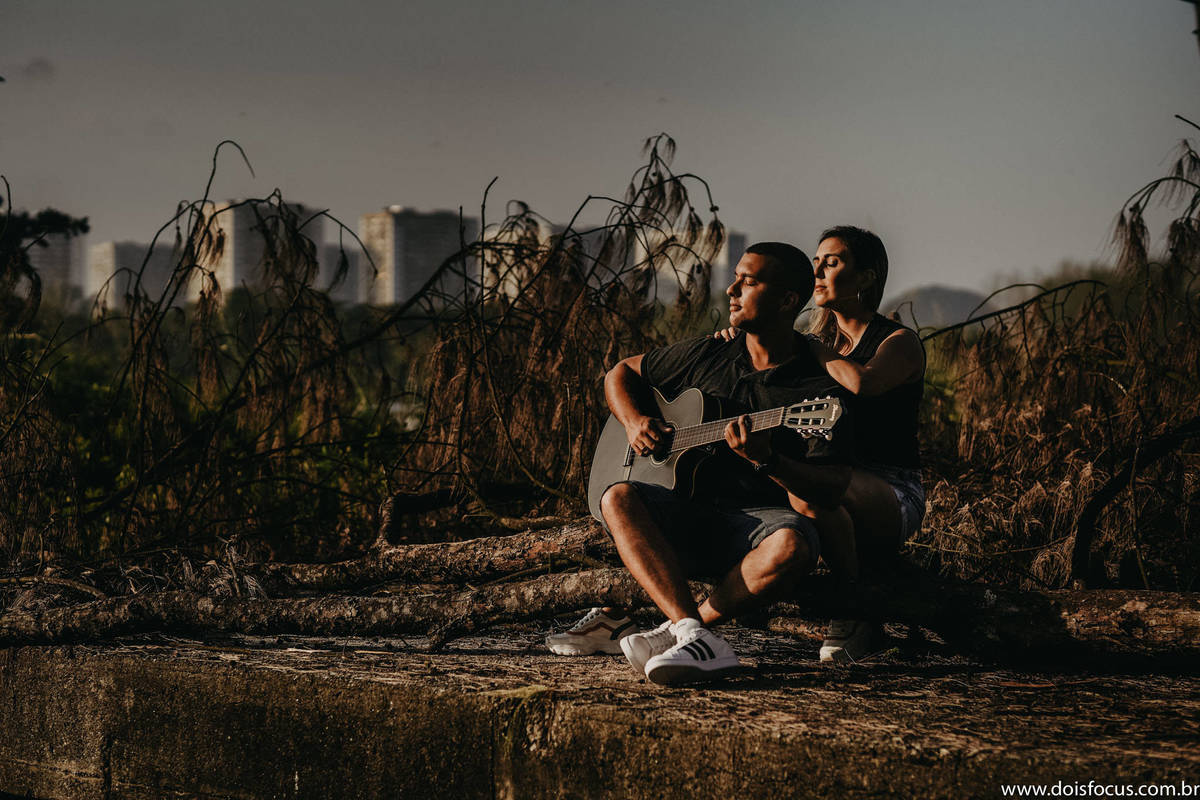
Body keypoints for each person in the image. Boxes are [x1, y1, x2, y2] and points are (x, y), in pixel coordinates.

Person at [547, 242, 854, 685]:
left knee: (794, 545)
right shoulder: (710, 353)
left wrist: (769, 461)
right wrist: (634, 422)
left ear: (788, 300)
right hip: (684, 513)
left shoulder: (817, 390)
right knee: (617, 496)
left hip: (751, 527)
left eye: (748, 282)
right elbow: (620, 373)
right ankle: (690, 631)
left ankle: (689, 631)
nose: (731, 290)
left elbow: (831, 487)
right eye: (736, 278)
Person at [707, 226, 925, 662]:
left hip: (890, 490)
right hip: (824, 478)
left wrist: (806, 345)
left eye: (834, 261)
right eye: (816, 261)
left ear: (866, 278)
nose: (819, 270)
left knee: (810, 493)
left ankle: (855, 609)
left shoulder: (898, 342)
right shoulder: (813, 343)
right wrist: (739, 340)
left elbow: (864, 383)